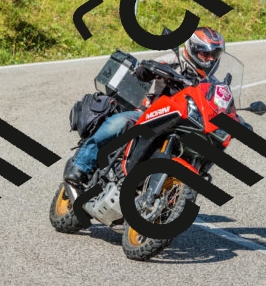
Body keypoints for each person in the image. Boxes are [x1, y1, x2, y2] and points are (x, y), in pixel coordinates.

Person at [63, 26, 225, 186]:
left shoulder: (210, 83)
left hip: (181, 125)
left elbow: (220, 104)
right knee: (119, 123)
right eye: (205, 53)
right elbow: (145, 69)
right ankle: (80, 165)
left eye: (214, 55)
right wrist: (149, 69)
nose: (210, 59)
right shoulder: (174, 61)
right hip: (149, 115)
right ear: (192, 49)